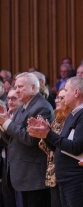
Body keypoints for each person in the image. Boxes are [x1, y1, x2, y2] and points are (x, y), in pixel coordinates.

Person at [27, 76, 83, 207]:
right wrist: (44, 135)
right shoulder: (74, 114)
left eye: (66, 90)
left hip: (78, 180)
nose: (63, 95)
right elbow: (59, 147)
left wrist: (49, 133)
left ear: (76, 92)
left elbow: (76, 147)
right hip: (66, 179)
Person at [0, 72, 54, 207]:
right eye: (16, 87)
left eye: (21, 87)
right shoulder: (23, 106)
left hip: (34, 175)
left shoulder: (41, 107)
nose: (17, 90)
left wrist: (7, 123)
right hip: (22, 174)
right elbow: (12, 140)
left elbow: (31, 139)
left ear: (34, 88)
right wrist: (3, 124)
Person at [38, 88, 71, 207]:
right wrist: (43, 133)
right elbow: (46, 147)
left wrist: (48, 134)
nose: (57, 100)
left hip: (65, 171)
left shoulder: (72, 119)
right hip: (52, 172)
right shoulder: (57, 118)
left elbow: (64, 146)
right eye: (57, 97)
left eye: (61, 98)